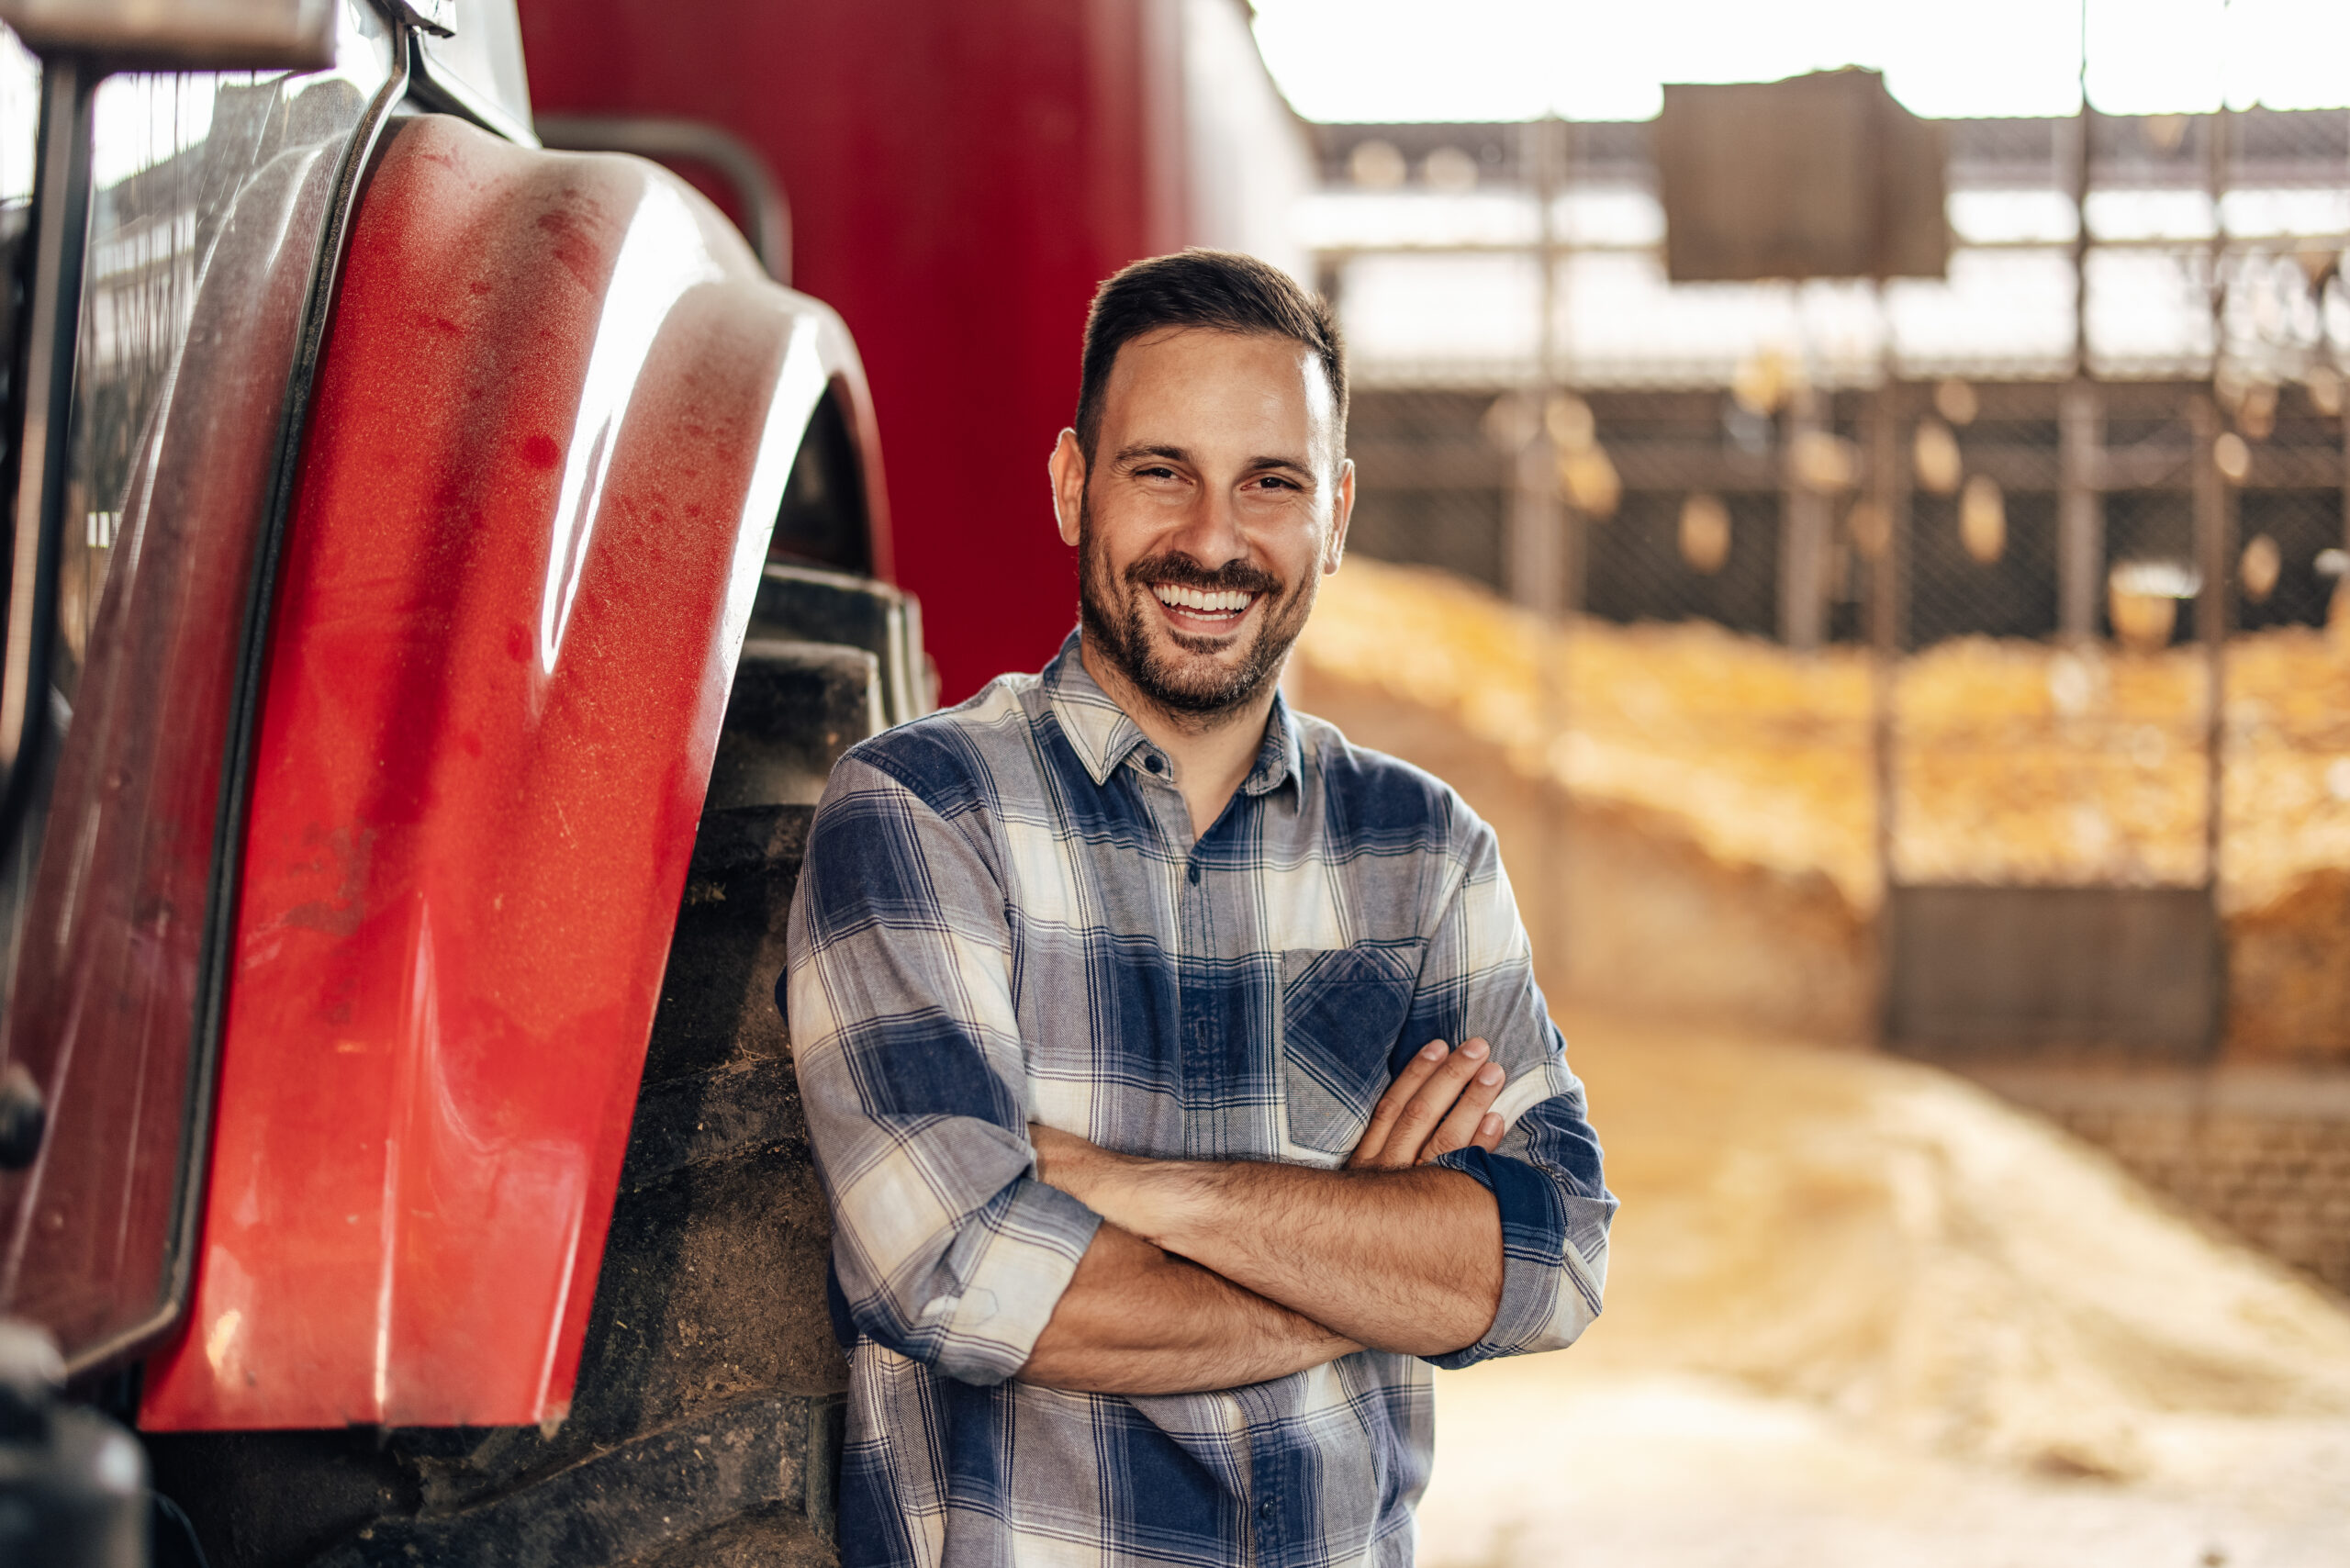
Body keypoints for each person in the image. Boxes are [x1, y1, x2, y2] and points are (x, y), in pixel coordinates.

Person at [785, 249, 1613, 1568]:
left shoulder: (1426, 852)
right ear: (1073, 488)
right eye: (1160, 470)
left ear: (1333, 514)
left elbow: (1555, 1257)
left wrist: (1125, 1189)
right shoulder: (923, 814)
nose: (1213, 542)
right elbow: (962, 1275)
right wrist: (1369, 1253)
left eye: (1270, 483)